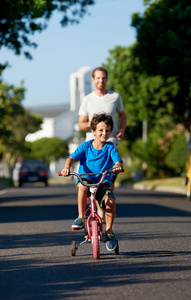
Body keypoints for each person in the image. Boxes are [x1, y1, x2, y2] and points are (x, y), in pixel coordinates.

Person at [61, 113, 123, 251]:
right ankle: (81, 217)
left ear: (111, 131)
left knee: (110, 201)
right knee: (82, 187)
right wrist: (67, 167)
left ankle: (109, 232)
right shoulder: (85, 146)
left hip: (102, 180)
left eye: (107, 130)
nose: (104, 133)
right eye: (100, 130)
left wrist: (117, 166)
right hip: (86, 178)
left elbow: (117, 160)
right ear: (93, 131)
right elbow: (71, 158)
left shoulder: (110, 147)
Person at [78, 66, 126, 220]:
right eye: (97, 78)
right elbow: (80, 124)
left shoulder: (115, 96)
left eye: (103, 78)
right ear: (93, 80)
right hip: (92, 145)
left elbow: (122, 114)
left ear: (107, 79)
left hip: (110, 142)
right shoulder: (87, 99)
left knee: (109, 177)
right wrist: (92, 124)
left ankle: (105, 204)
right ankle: (96, 211)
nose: (101, 81)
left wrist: (122, 129)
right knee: (91, 179)